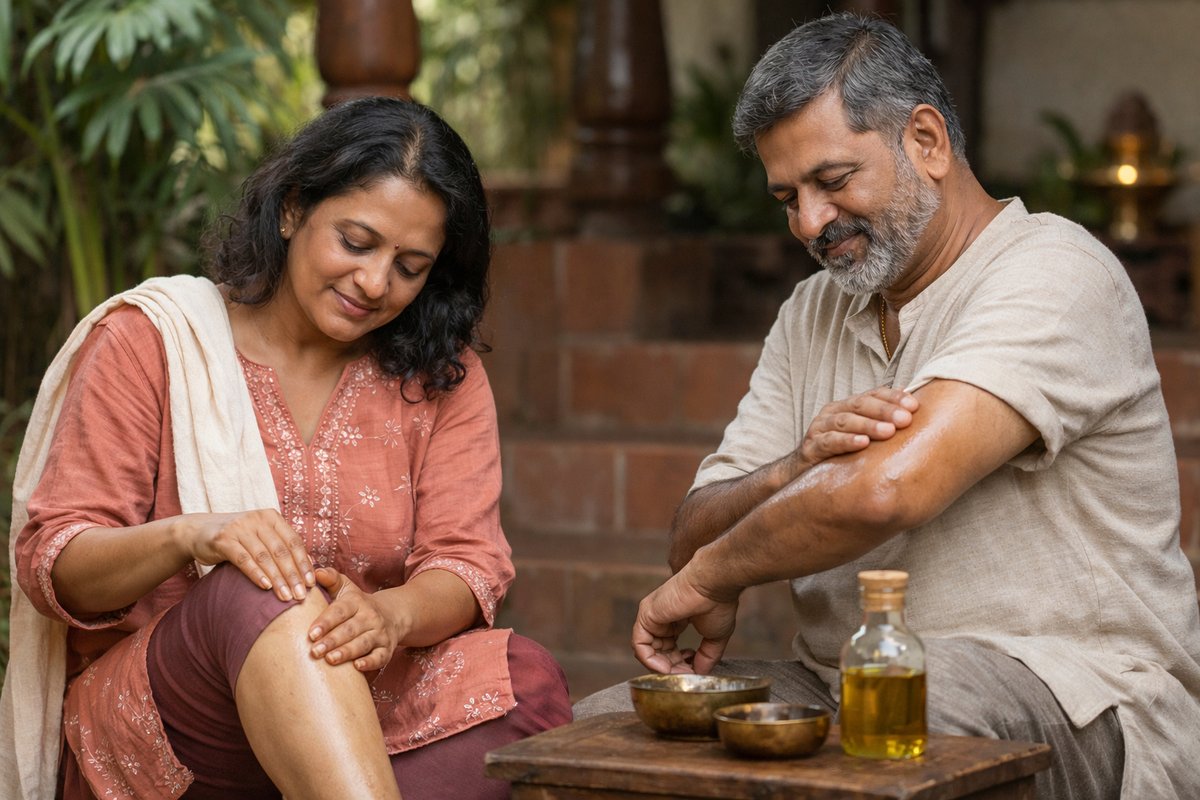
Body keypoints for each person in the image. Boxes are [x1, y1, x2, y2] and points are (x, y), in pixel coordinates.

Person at [573, 12, 1200, 800]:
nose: (809, 222)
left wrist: (712, 579)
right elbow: (692, 531)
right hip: (838, 683)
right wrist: (795, 466)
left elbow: (887, 488)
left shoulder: (1055, 270)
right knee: (603, 733)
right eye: (787, 197)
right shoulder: (812, 311)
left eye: (833, 182)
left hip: (1076, 693)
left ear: (928, 142)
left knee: (918, 703)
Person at [0, 96, 572, 799]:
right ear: (293, 208)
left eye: (410, 265)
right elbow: (56, 564)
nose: (374, 282)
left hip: (370, 709)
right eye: (357, 242)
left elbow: (467, 564)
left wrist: (390, 614)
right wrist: (195, 536)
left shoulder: (439, 377)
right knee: (261, 593)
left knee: (526, 680)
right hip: (183, 726)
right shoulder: (152, 343)